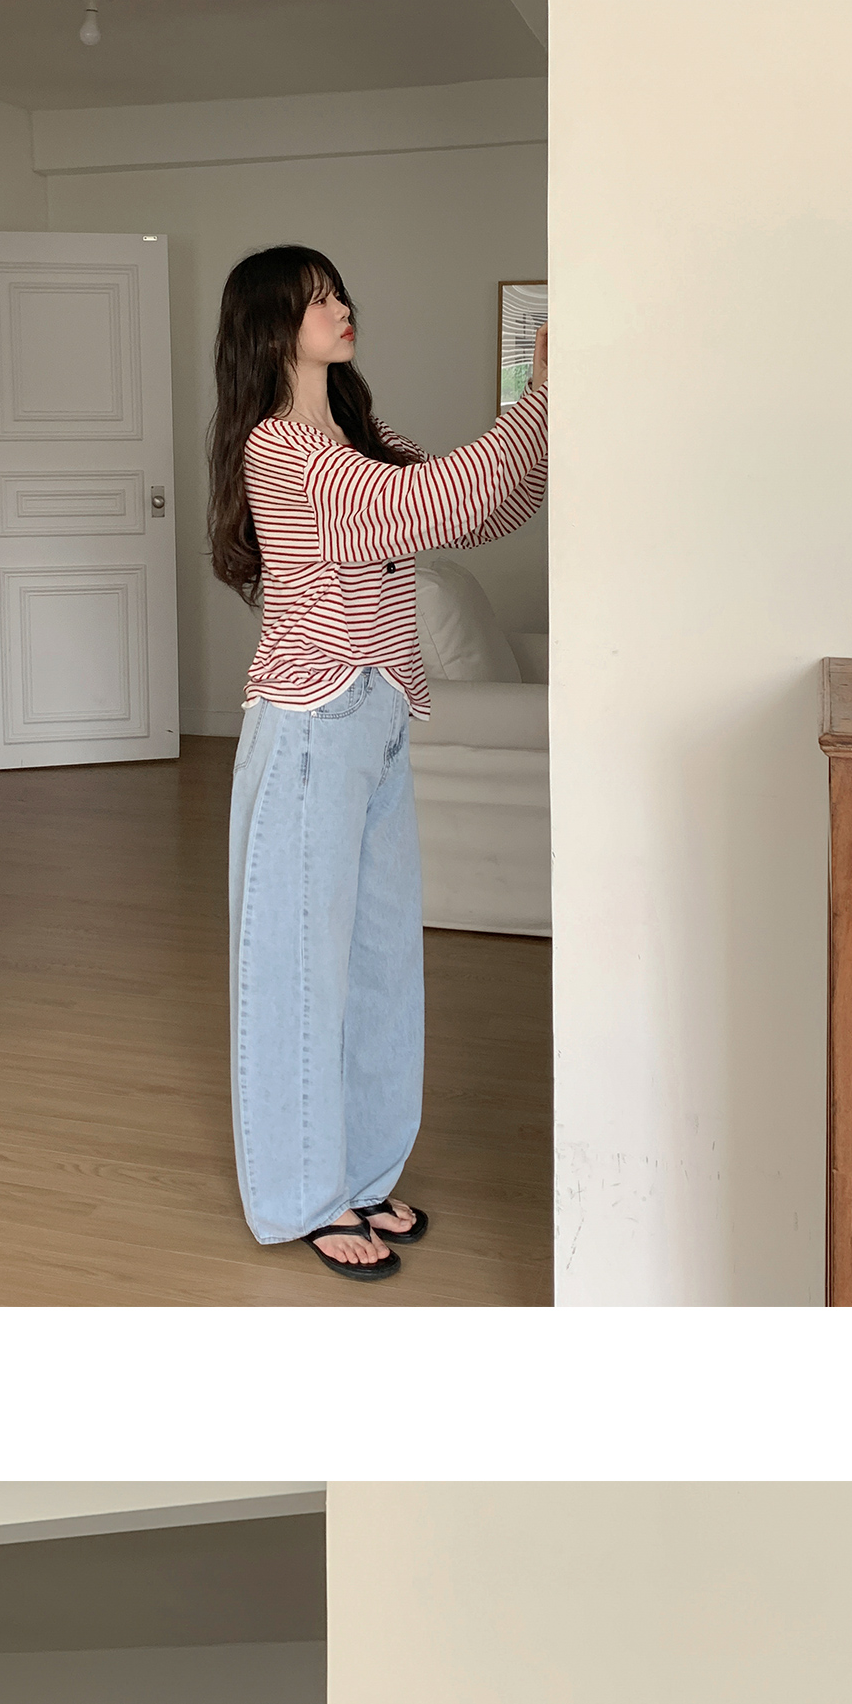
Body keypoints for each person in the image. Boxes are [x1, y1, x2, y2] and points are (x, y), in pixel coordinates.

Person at [208, 246, 548, 1273]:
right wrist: (543, 397)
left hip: (379, 716)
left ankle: (361, 1174)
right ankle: (302, 1197)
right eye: (317, 299)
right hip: (312, 722)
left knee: (382, 962)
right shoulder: (281, 447)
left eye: (339, 292)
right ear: (273, 324)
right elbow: (428, 502)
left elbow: (482, 508)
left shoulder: (358, 436)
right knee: (298, 968)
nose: (341, 307)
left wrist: (545, 417)